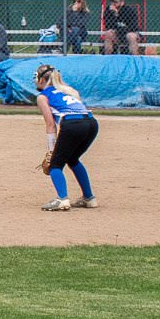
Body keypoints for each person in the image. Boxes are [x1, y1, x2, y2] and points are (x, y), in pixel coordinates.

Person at [34, 64, 98, 211]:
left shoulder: (43, 96)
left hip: (73, 124)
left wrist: (51, 150)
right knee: (72, 159)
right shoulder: (68, 91)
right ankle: (89, 198)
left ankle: (62, 199)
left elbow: (51, 125)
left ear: (42, 80)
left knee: (55, 164)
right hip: (91, 123)